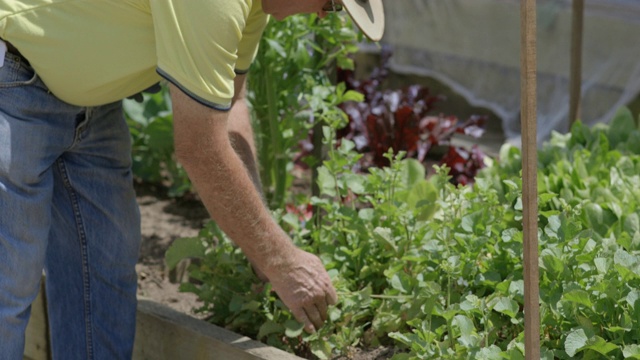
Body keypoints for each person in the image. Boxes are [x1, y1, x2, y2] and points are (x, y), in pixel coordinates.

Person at [0, 0, 384, 358]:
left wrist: (266, 251)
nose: (323, 16)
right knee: (9, 283)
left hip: (91, 101)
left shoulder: (253, 8)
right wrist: (281, 262)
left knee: (102, 277)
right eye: (332, 4)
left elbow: (230, 105)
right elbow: (201, 149)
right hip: (12, 72)